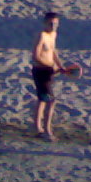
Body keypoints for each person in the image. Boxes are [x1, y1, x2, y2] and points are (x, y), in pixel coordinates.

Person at [30, 11, 70, 141]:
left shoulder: (53, 35)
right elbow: (35, 56)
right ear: (45, 23)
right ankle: (47, 131)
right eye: (51, 23)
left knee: (42, 100)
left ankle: (37, 129)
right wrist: (49, 66)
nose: (53, 26)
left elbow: (53, 51)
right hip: (41, 71)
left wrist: (60, 66)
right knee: (50, 100)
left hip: (49, 71)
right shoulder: (41, 36)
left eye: (56, 24)